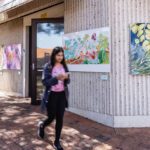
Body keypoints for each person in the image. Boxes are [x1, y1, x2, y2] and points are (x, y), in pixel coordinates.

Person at [38, 47, 70, 150]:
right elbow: (45, 82)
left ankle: (56, 142)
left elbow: (68, 81)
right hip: (51, 95)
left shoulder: (64, 65)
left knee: (60, 118)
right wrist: (56, 78)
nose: (60, 57)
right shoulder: (48, 66)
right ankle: (42, 125)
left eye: (61, 55)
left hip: (62, 95)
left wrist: (67, 78)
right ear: (54, 55)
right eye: (58, 55)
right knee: (51, 117)